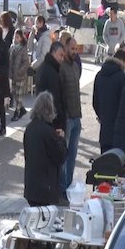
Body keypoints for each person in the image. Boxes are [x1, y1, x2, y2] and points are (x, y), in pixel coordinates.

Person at [23, 91, 67, 206]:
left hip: (31, 186)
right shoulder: (48, 132)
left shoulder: (29, 128)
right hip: (45, 188)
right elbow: (60, 156)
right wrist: (61, 139)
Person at [59, 36, 82, 193]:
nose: (74, 51)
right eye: (72, 48)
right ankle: (62, 189)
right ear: (66, 48)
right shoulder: (62, 68)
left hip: (76, 116)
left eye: (76, 49)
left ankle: (68, 187)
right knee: (64, 156)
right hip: (67, 118)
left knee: (72, 156)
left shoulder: (75, 66)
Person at [93, 51, 125, 153]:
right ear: (123, 61)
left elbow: (95, 102)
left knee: (105, 159)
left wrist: (102, 116)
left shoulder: (99, 75)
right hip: (118, 132)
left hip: (104, 130)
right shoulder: (121, 77)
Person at [36, 42, 66, 130]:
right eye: (60, 55)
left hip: (44, 117)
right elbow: (55, 98)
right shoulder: (51, 72)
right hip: (51, 119)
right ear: (53, 52)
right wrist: (61, 121)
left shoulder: (45, 67)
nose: (62, 59)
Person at [9, 29, 30, 121]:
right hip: (12, 75)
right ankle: (22, 109)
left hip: (20, 75)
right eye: (15, 37)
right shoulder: (12, 47)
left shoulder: (23, 48)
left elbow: (26, 62)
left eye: (17, 37)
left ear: (21, 38)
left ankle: (17, 112)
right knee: (14, 93)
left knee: (18, 94)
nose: (15, 39)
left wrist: (19, 71)